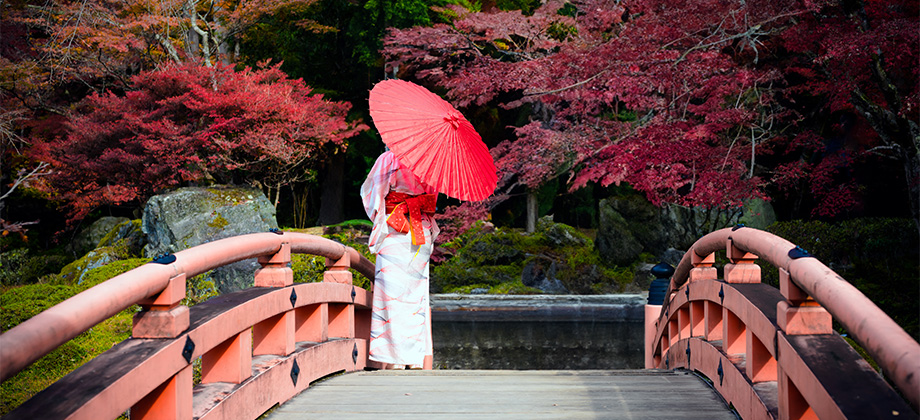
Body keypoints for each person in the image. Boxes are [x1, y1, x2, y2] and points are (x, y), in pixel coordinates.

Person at [360, 150, 439, 369]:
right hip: (420, 231)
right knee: (414, 297)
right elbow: (432, 200)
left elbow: (372, 197)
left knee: (392, 297)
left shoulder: (389, 159)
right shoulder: (431, 163)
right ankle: (414, 360)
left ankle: (394, 360)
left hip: (396, 229)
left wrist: (380, 216)